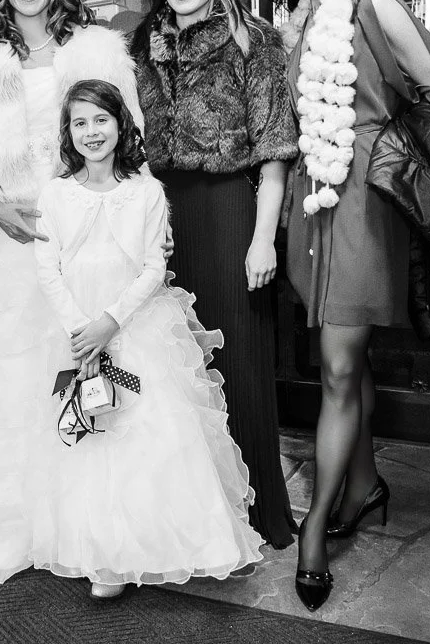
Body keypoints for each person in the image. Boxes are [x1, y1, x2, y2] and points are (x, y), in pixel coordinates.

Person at [270, 0, 430, 611]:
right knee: (342, 364)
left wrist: (393, 126)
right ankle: (364, 485)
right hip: (312, 200)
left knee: (336, 363)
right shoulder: (301, 11)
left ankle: (318, 527)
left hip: (359, 197)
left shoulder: (374, 3)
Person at [0, 0, 143, 583]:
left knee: (89, 371)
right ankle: (24, 524)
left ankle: (95, 535)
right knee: (19, 382)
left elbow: (128, 136)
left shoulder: (99, 50)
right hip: (11, 241)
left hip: (85, 230)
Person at [28, 79, 265, 600]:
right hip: (74, 324)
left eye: (101, 120)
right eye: (80, 122)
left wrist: (110, 323)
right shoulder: (55, 194)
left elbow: (154, 266)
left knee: (146, 425)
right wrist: (81, 332)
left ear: (121, 125)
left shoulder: (146, 192)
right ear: (68, 132)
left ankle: (167, 541)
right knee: (93, 430)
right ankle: (103, 553)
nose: (91, 132)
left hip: (134, 322)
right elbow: (48, 269)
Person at [132, 0, 300, 549]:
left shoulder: (253, 42)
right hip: (163, 213)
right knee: (176, 368)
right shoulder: (142, 45)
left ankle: (256, 513)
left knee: (238, 362)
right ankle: (193, 518)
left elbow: (275, 153)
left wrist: (263, 240)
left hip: (230, 210)